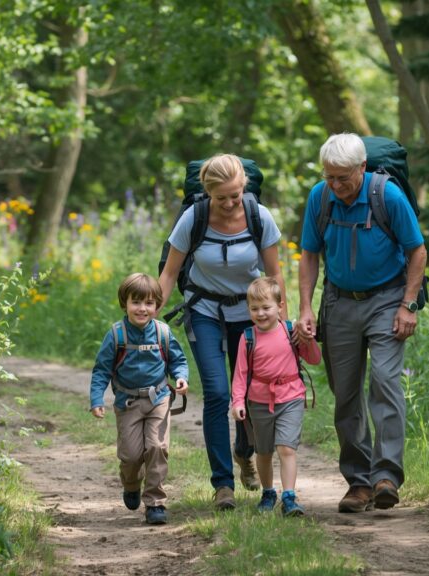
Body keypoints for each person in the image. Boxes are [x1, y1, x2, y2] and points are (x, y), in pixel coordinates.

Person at [296, 133, 428, 513]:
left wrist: (408, 304)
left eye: (343, 178)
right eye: (330, 177)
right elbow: (309, 255)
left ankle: (385, 476)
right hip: (339, 303)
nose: (335, 186)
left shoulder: (387, 196)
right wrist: (306, 308)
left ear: (362, 168)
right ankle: (359, 481)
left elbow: (416, 249)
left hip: (387, 300)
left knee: (386, 383)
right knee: (346, 392)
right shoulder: (320, 197)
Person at [158, 153, 288, 510]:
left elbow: (275, 277)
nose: (230, 203)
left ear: (244, 186)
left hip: (251, 315)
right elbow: (170, 273)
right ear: (208, 193)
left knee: (248, 395)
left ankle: (244, 451)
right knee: (217, 392)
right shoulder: (194, 218)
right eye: (222, 198)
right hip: (204, 310)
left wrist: (284, 327)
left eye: (235, 194)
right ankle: (222, 485)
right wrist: (151, 318)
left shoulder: (259, 217)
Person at [90, 273, 189, 525]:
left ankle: (155, 502)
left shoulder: (162, 333)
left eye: (148, 303)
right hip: (128, 403)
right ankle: (132, 484)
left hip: (159, 399)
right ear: (125, 303)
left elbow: (177, 360)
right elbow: (101, 370)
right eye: (136, 302)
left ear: (157, 305)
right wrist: (96, 399)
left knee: (157, 447)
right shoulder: (116, 335)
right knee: (131, 456)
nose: (142, 309)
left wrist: (180, 377)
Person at [231, 277, 320, 516]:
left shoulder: (290, 330)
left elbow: (313, 359)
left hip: (291, 397)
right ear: (248, 310)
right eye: (254, 308)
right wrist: (238, 401)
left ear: (280, 306)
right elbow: (240, 374)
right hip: (259, 401)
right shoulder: (247, 337)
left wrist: (308, 339)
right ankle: (268, 492)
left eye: (266, 307)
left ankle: (289, 496)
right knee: (264, 451)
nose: (261, 313)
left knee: (286, 448)